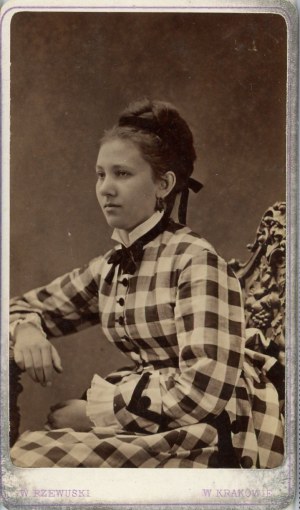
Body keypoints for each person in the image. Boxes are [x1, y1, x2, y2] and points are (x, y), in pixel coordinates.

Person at [10, 99, 284, 468]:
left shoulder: (196, 261)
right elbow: (22, 305)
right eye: (100, 174)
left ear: (164, 183)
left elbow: (203, 391)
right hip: (149, 418)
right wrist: (27, 330)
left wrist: (95, 412)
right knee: (29, 456)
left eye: (122, 174)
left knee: (33, 459)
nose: (105, 188)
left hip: (213, 429)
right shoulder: (111, 265)